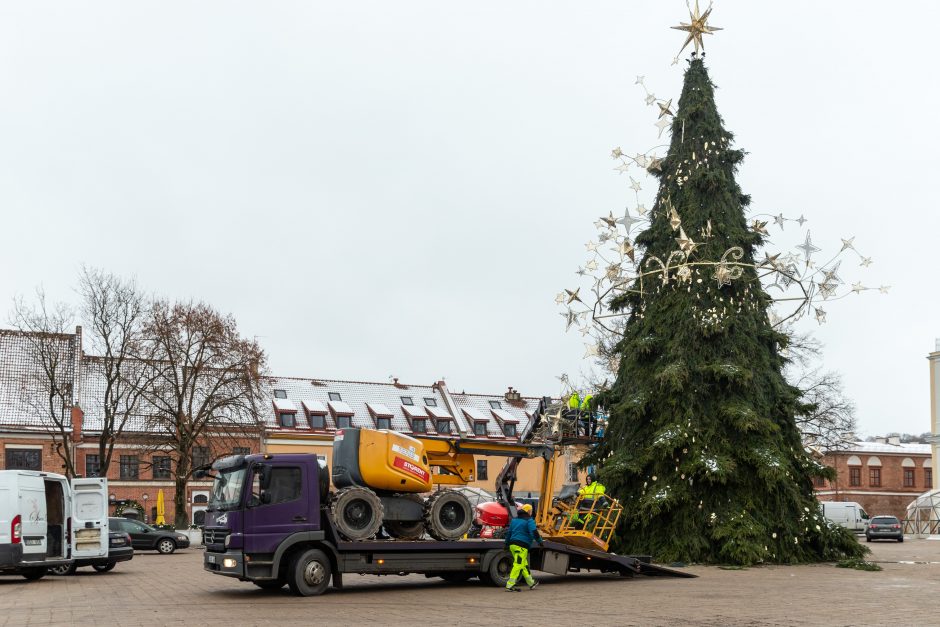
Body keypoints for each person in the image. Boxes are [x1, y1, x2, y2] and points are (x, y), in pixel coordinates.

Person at [504, 503, 544, 591]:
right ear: (528, 511)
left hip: (513, 545)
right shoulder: (529, 520)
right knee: (518, 565)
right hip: (521, 546)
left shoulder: (514, 520)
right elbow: (534, 532)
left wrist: (506, 544)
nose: (531, 512)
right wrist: (540, 542)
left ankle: (531, 583)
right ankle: (509, 585)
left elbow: (509, 533)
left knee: (524, 564)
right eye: (531, 511)